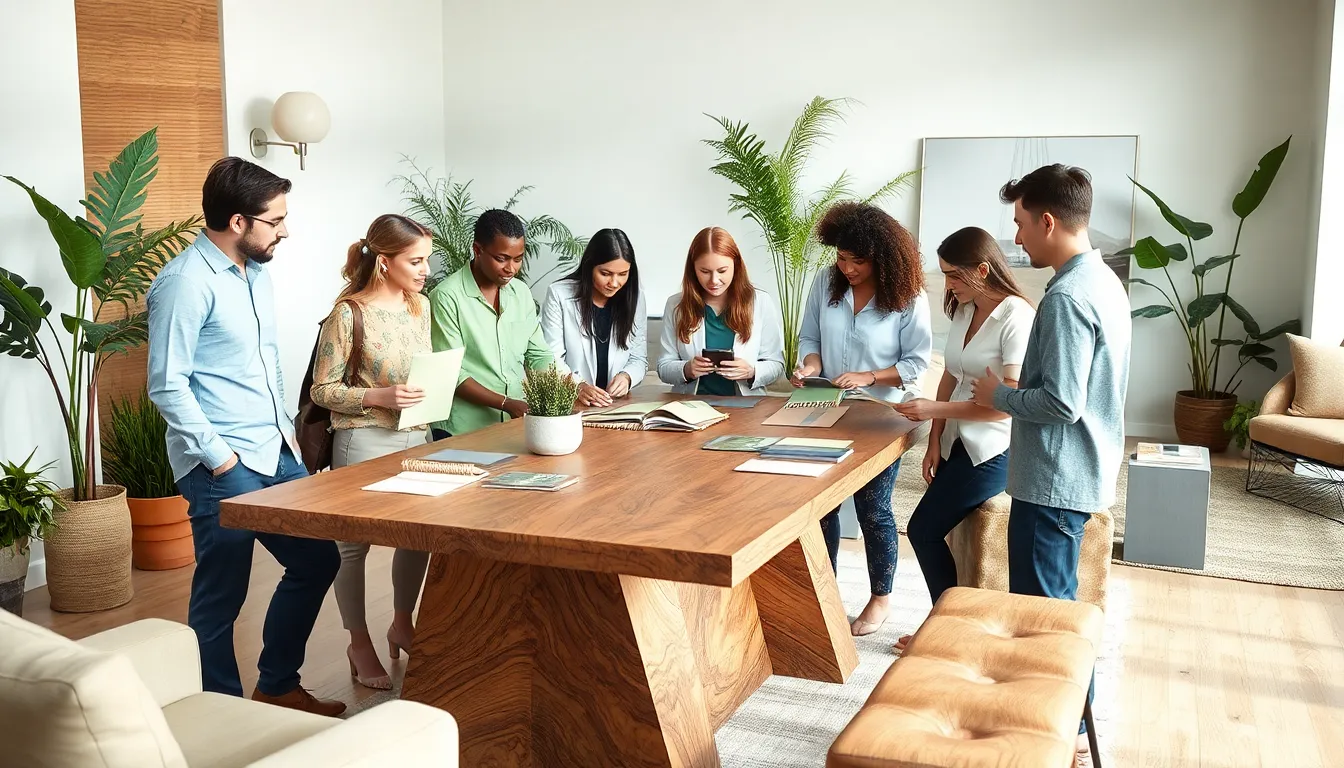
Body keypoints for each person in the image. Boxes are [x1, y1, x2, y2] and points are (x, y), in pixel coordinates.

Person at [146, 157, 343, 716]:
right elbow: (167, 384)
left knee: (316, 561)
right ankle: (222, 715)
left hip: (275, 451)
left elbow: (263, 363)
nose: (284, 230)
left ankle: (277, 684)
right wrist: (220, 459)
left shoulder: (257, 273)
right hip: (222, 465)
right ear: (237, 222)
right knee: (222, 596)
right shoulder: (184, 283)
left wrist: (289, 436)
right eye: (275, 221)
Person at [971, 164, 1131, 764]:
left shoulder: (1065, 297)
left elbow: (1061, 402)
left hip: (1054, 478)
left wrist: (998, 397)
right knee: (1058, 613)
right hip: (1079, 471)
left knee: (1042, 620)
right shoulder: (1103, 281)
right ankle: (1076, 729)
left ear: (1047, 220)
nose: (1016, 240)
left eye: (1019, 224)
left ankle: (1051, 738)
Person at [791, 201, 932, 636]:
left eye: (858, 260)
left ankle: (881, 598)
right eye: (842, 257)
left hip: (881, 415)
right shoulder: (826, 283)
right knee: (823, 507)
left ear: (882, 257)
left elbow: (916, 362)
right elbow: (810, 336)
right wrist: (810, 366)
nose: (847, 267)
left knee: (873, 509)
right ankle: (826, 591)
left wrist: (869, 376)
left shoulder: (908, 295)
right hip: (825, 408)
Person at [892, 226, 1035, 651]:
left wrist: (932, 412)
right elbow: (950, 376)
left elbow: (1004, 403)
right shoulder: (963, 309)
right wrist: (934, 439)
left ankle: (947, 629)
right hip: (957, 441)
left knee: (921, 529)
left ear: (983, 270)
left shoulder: (1016, 317)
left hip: (995, 448)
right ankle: (947, 624)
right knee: (926, 529)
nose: (947, 285)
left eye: (953, 275)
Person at [310, 213, 434, 690]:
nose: (425, 270)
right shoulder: (348, 314)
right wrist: (377, 396)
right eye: (416, 260)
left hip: (415, 435)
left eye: (427, 260)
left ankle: (402, 623)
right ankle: (358, 641)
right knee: (351, 547)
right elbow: (323, 389)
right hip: (362, 439)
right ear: (384, 262)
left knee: (417, 537)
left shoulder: (418, 306)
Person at [428, 209, 557, 439]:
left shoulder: (521, 293)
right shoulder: (447, 296)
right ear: (477, 250)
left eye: (518, 259)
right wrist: (507, 403)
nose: (511, 269)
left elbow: (539, 355)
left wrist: (560, 392)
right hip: (462, 429)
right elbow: (452, 374)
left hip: (514, 425)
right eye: (502, 259)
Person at [656, 226, 784, 395]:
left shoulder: (760, 302)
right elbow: (663, 366)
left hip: (746, 408)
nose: (714, 280)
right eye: (705, 271)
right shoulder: (676, 305)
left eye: (722, 271)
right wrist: (686, 369)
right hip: (691, 408)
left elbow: (776, 364)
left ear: (736, 266)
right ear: (693, 269)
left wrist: (752, 371)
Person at [541, 228, 648, 408]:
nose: (614, 283)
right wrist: (577, 386)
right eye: (605, 273)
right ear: (590, 266)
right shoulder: (559, 294)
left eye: (623, 274)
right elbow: (550, 358)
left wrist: (627, 377)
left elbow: (639, 358)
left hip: (614, 406)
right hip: (571, 404)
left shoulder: (635, 298)